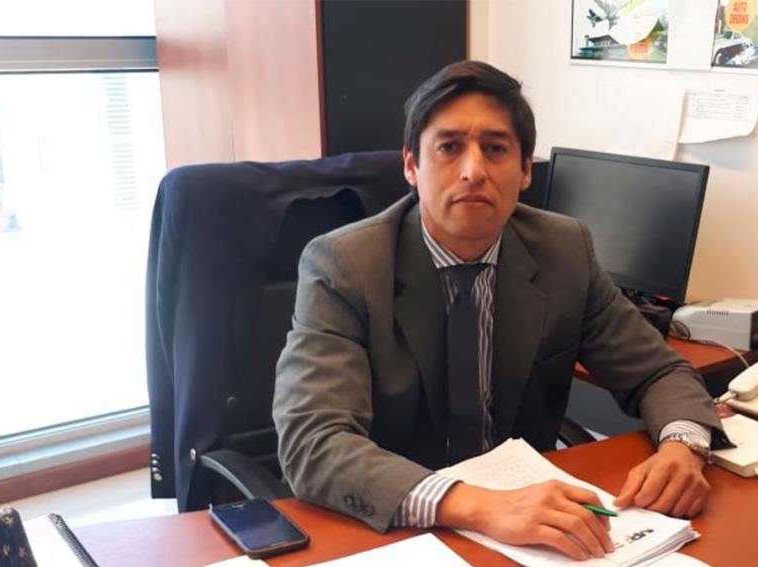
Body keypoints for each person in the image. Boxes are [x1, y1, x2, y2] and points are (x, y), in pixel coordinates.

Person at [274, 60, 724, 561]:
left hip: (534, 531)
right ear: (411, 166)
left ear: (526, 169)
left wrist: (683, 446)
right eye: (449, 147)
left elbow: (659, 371)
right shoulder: (346, 265)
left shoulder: (564, 251)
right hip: (400, 530)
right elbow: (313, 441)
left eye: (495, 149)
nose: (473, 171)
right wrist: (478, 505)